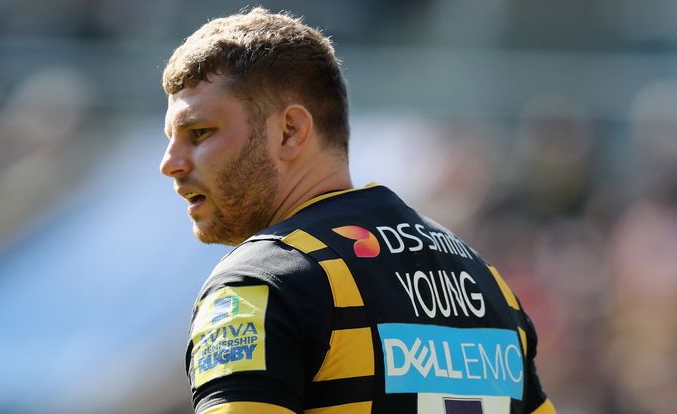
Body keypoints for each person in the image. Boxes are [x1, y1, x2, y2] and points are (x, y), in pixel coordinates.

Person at [159, 7, 555, 414]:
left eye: (199, 133)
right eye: (172, 139)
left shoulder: (260, 284)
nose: (170, 162)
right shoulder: (487, 284)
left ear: (290, 131)